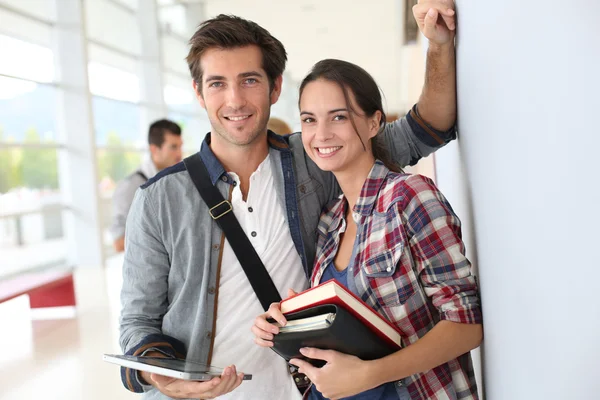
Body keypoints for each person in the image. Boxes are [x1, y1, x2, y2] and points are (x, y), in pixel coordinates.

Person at [119, 1, 459, 398]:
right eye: (217, 84)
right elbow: (137, 324)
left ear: (275, 86)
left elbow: (425, 128)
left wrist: (437, 43)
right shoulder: (158, 199)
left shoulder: (316, 159)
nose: (234, 100)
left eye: (249, 80)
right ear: (198, 92)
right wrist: (160, 375)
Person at [252, 57, 483, 399]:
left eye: (339, 117)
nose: (322, 134)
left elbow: (467, 324)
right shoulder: (331, 222)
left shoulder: (409, 197)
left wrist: (371, 374)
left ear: (374, 122)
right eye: (309, 120)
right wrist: (286, 322)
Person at [110, 119, 183, 252]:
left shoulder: (179, 181)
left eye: (180, 146)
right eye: (173, 147)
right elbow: (119, 242)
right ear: (154, 149)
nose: (179, 154)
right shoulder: (131, 186)